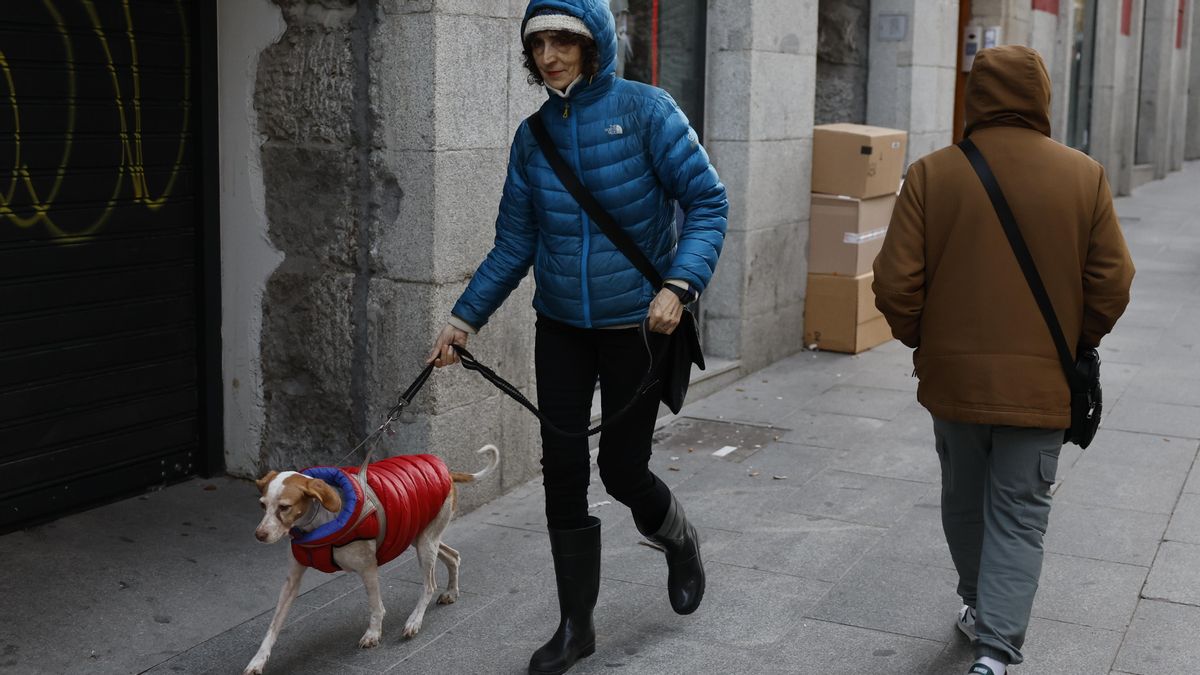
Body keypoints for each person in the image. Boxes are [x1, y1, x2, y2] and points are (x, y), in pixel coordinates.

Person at [427, 1, 727, 673]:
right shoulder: (533, 137)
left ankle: (679, 538)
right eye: (538, 45)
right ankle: (576, 626)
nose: (550, 56)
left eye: (564, 41)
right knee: (562, 470)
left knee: (621, 470)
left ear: (594, 45)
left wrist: (680, 285)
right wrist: (462, 320)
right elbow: (515, 243)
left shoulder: (648, 111)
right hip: (561, 325)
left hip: (638, 326)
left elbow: (708, 201)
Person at [872, 46, 1134, 675]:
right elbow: (1113, 281)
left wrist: (927, 342)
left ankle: (975, 602)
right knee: (1020, 512)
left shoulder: (933, 174)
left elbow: (894, 284)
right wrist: (1074, 341)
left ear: (977, 97)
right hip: (1042, 385)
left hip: (955, 380)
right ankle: (994, 650)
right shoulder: (1085, 175)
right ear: (1042, 96)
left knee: (963, 499)